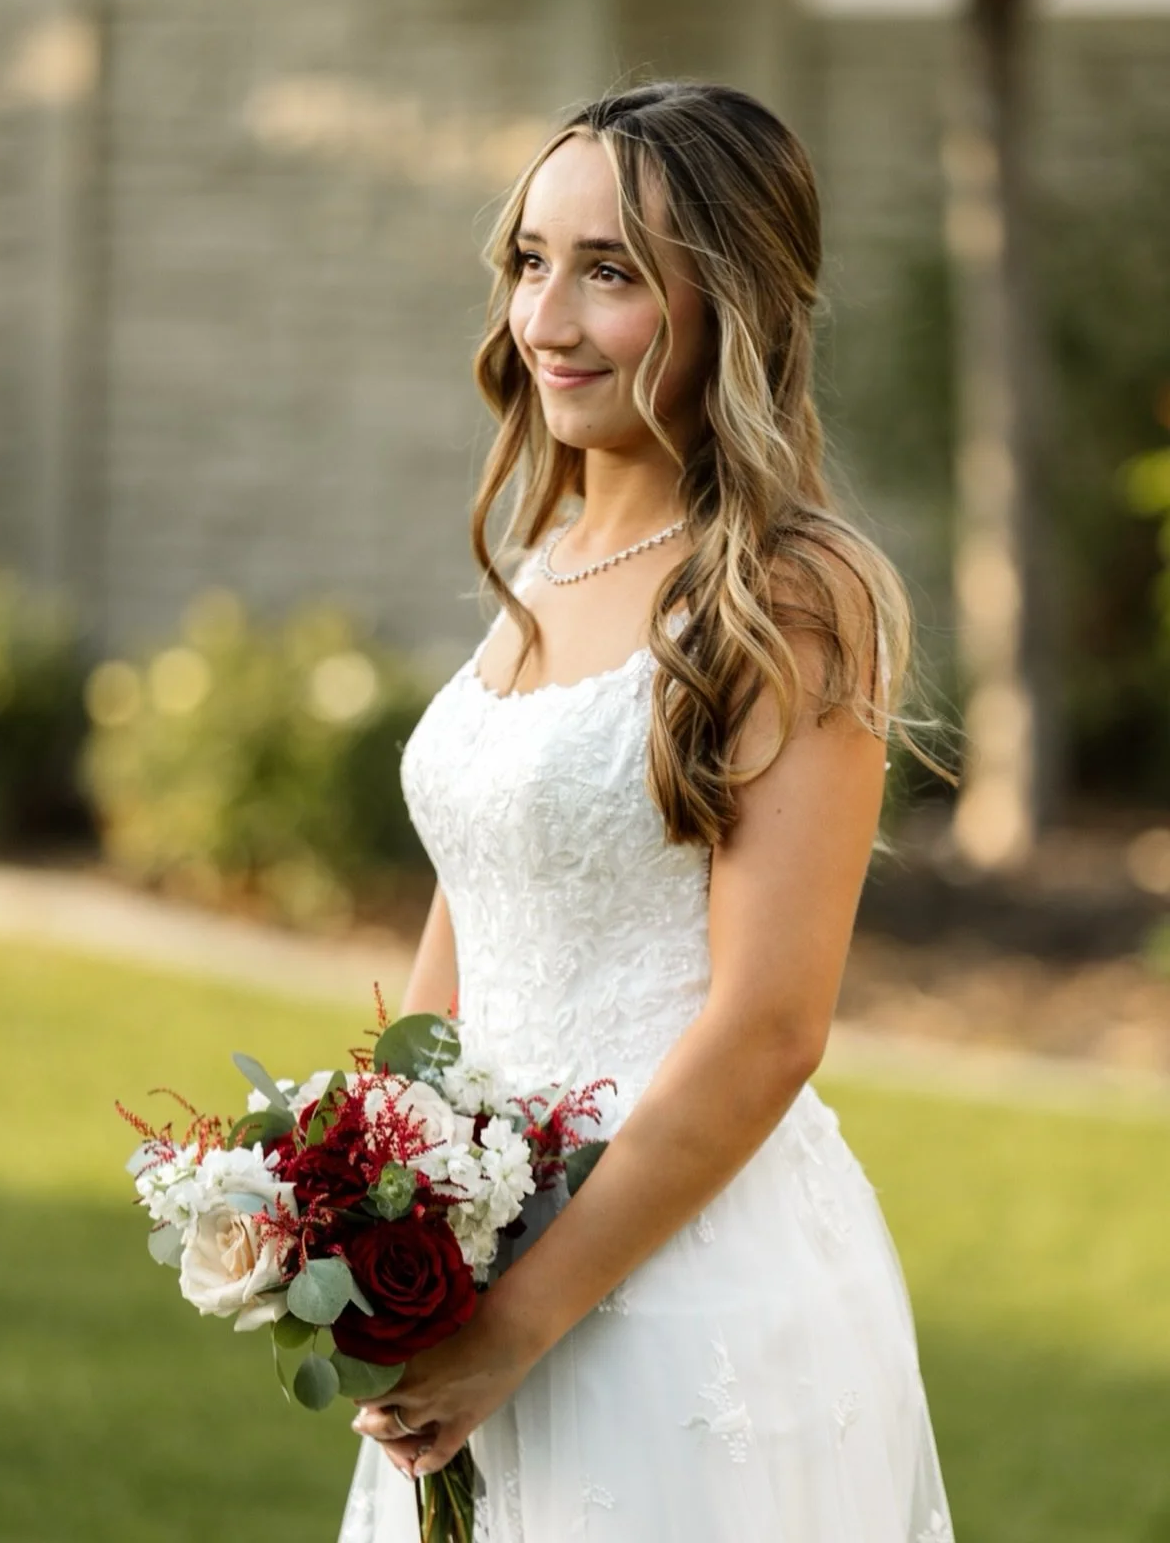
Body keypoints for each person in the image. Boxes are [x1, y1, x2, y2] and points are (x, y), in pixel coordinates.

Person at [338, 79, 957, 1542]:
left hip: (685, 1294)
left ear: (729, 302)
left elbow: (767, 1030)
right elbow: (476, 904)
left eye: (608, 272)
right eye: (531, 261)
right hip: (478, 1265)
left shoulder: (791, 596)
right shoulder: (546, 558)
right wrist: (365, 1209)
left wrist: (518, 1325)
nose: (544, 319)